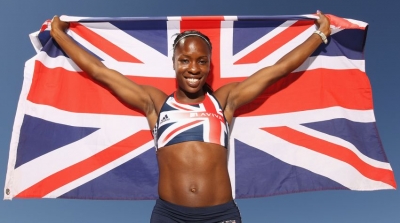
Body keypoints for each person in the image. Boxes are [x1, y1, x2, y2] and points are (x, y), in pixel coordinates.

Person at [50, 11, 330, 223]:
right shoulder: (156, 104)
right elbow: (100, 72)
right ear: (174, 62)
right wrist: (60, 34)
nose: (193, 68)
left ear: (209, 65)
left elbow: (278, 69)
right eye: (185, 60)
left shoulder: (224, 101)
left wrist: (319, 35)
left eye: (201, 61)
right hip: (169, 214)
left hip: (220, 214)